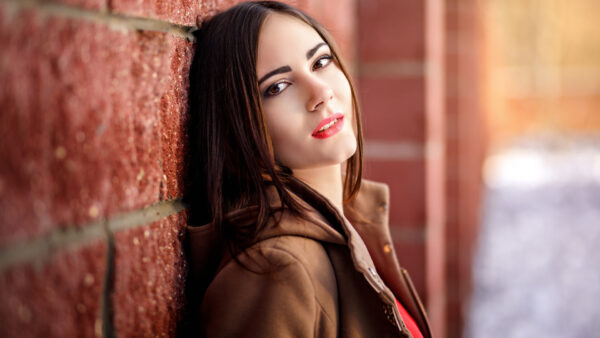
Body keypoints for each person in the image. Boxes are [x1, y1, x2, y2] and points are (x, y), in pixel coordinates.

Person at [183, 1, 431, 337]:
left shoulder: (353, 221)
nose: (321, 92)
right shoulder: (274, 270)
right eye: (277, 87)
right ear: (235, 128)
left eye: (321, 62)